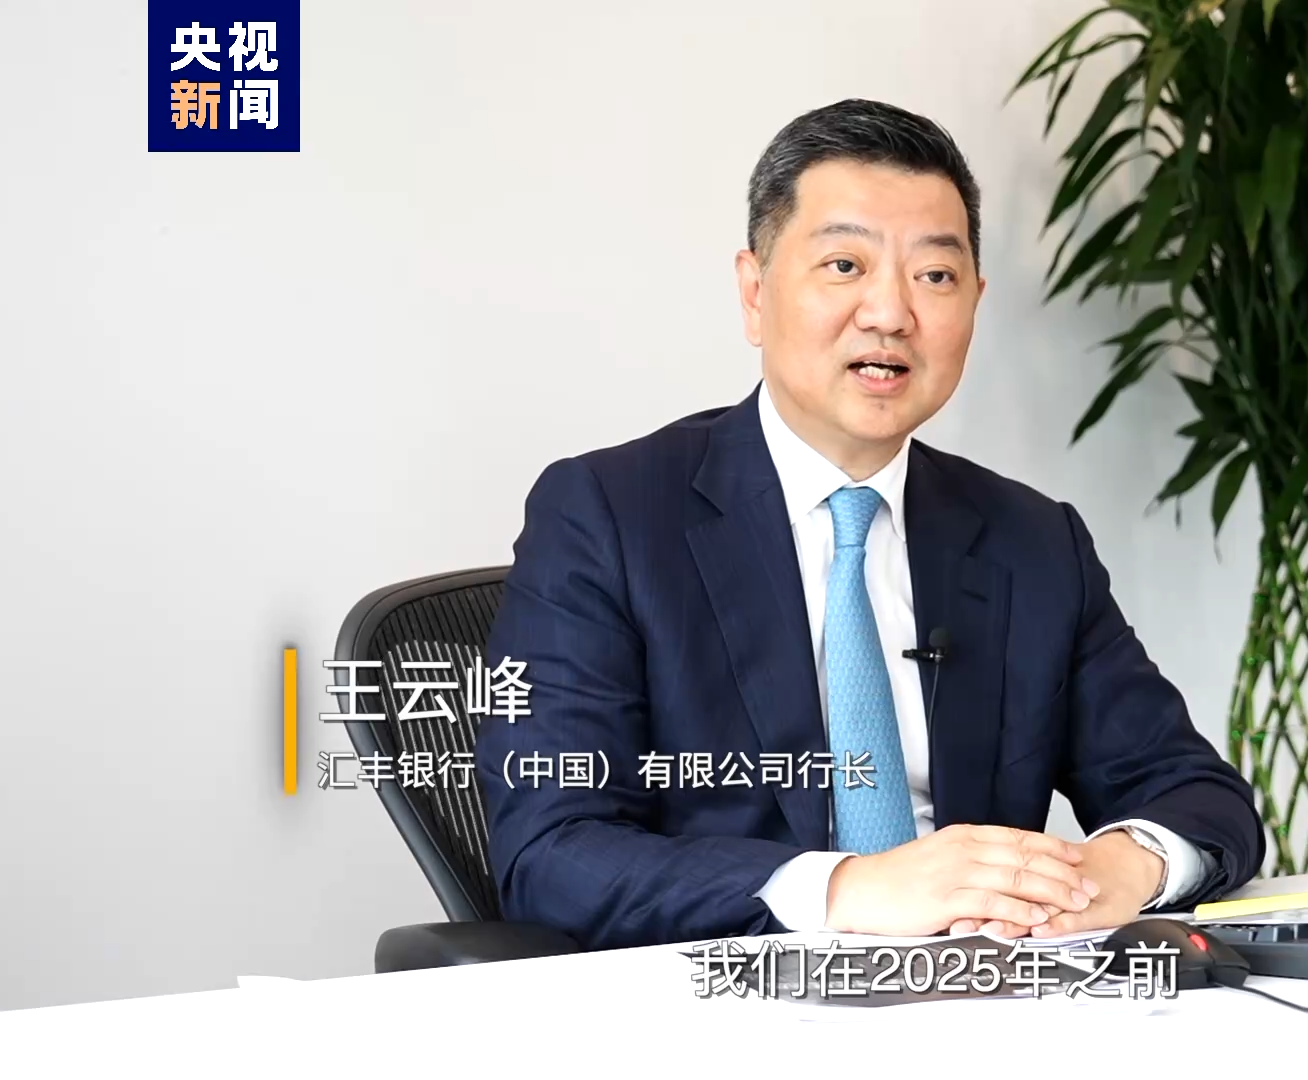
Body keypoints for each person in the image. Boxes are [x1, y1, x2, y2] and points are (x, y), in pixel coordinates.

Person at [477, 98, 1263, 950]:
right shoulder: (607, 515)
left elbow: (1199, 795)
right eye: (845, 265)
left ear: (975, 303)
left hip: (989, 993)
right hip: (732, 995)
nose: (890, 313)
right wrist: (850, 889)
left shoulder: (1033, 543)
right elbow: (551, 851)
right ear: (754, 292)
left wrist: (1121, 867)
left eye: (936, 277)